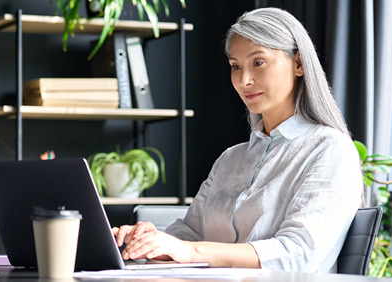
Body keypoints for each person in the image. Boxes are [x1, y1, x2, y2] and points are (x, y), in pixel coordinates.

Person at [112, 7, 363, 272]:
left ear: (298, 64)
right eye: (235, 66)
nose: (244, 80)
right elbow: (189, 236)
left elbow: (298, 254)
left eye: (258, 62)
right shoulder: (230, 159)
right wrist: (152, 242)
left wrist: (190, 251)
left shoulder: (330, 149)